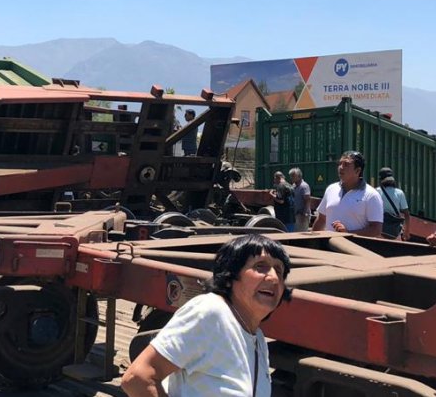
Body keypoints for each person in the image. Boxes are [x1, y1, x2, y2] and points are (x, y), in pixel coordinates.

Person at [121, 233, 292, 396]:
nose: (273, 277)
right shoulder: (211, 312)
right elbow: (138, 378)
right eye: (260, 266)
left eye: (279, 270)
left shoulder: (257, 338)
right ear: (231, 274)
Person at [312, 151, 383, 237]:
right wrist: (312, 242)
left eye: (346, 164)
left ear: (357, 170)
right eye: (340, 163)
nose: (341, 167)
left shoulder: (371, 195)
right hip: (329, 248)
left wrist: (348, 233)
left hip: (355, 249)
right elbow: (321, 219)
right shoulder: (331, 189)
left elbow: (376, 230)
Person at [376, 167, 411, 240]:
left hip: (380, 230)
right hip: (395, 231)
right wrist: (407, 231)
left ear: (380, 179)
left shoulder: (376, 192)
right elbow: (407, 214)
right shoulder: (399, 193)